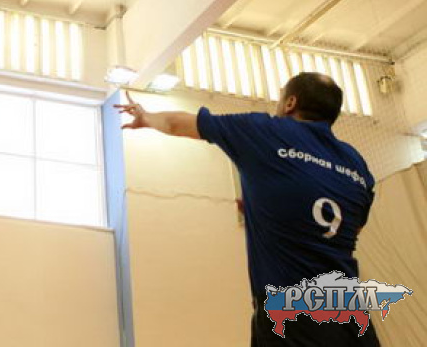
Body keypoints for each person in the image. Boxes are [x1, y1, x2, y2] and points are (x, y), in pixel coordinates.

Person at [116, 72, 380, 346]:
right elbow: (353, 227)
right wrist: (275, 205)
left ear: (290, 102)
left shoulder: (265, 131)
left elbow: (176, 123)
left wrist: (145, 117)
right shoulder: (356, 163)